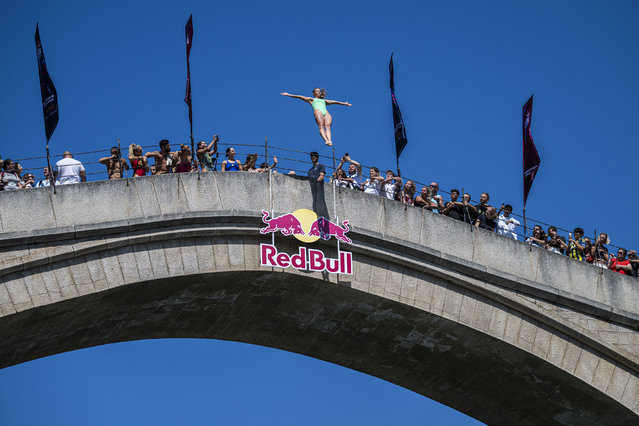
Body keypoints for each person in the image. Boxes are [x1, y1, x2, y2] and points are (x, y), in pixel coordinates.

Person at [281, 88, 352, 146]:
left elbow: (334, 102)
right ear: (314, 93)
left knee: (328, 127)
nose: (319, 92)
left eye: (319, 91)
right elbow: (300, 97)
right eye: (317, 91)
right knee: (321, 126)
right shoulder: (311, 99)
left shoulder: (324, 101)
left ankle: (330, 140)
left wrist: (344, 104)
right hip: (318, 111)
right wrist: (288, 94)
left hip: (325, 112)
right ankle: (326, 140)